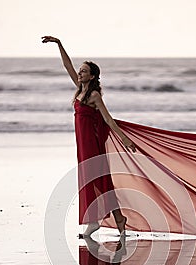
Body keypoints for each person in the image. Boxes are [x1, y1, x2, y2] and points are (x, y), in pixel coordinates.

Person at [41, 36, 136, 237]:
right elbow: (67, 66)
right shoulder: (79, 89)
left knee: (97, 179)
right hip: (82, 143)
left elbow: (109, 120)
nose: (80, 72)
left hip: (92, 143)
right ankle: (116, 219)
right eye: (80, 70)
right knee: (92, 179)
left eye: (84, 71)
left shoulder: (94, 96)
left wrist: (125, 139)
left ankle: (95, 221)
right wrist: (59, 44)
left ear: (92, 77)